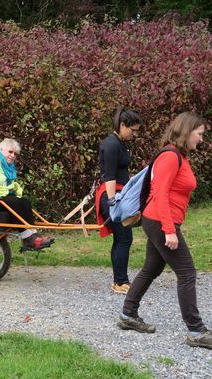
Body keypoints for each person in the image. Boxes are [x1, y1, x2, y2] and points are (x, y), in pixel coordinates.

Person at [117, 112, 212, 350]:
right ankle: (196, 330)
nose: (201, 139)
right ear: (187, 131)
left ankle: (128, 314)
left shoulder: (179, 156)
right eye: (199, 134)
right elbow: (160, 195)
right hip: (160, 221)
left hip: (158, 220)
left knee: (151, 268)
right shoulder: (170, 157)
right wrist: (169, 230)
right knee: (187, 272)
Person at [0, 138, 54, 250]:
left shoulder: (7, 165)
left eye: (15, 154)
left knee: (25, 202)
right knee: (17, 203)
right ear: (1, 149)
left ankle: (34, 236)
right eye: (10, 152)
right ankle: (28, 239)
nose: (12, 156)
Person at [95, 107, 142, 294]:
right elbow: (110, 176)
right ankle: (120, 282)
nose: (134, 134)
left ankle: (119, 280)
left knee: (122, 238)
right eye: (133, 130)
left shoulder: (121, 143)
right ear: (122, 125)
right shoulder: (112, 144)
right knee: (124, 238)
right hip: (111, 195)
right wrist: (113, 202)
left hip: (120, 193)